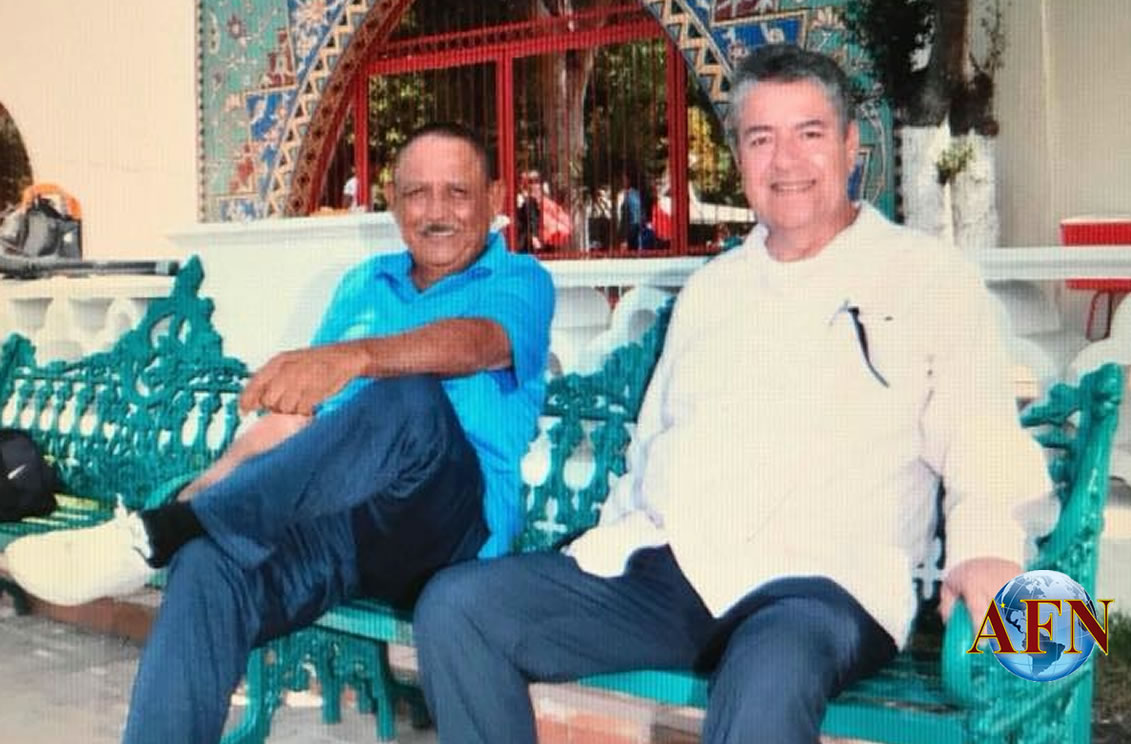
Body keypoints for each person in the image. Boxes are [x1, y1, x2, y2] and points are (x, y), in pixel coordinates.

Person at [412, 46, 1056, 743]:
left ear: (849, 146)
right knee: (458, 607)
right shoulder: (712, 291)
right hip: (671, 572)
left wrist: (987, 547)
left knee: (770, 665)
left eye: (809, 133)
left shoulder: (928, 278)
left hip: (821, 588)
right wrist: (602, 545)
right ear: (740, 159)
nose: (785, 161)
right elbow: (654, 442)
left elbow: (982, 432)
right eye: (760, 139)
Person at [5, 122, 555, 743]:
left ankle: (159, 533)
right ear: (394, 203)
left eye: (457, 192)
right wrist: (207, 489)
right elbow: (298, 416)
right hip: (341, 532)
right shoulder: (364, 284)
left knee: (408, 397)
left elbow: (481, 344)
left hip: (447, 535)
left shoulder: (519, 280)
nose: (436, 212)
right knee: (207, 565)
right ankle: (164, 537)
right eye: (416, 194)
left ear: (494, 198)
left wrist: (356, 357)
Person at [516, 168, 543, 252]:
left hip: (528, 232)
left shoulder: (531, 199)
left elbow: (533, 218)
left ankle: (534, 238)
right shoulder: (521, 196)